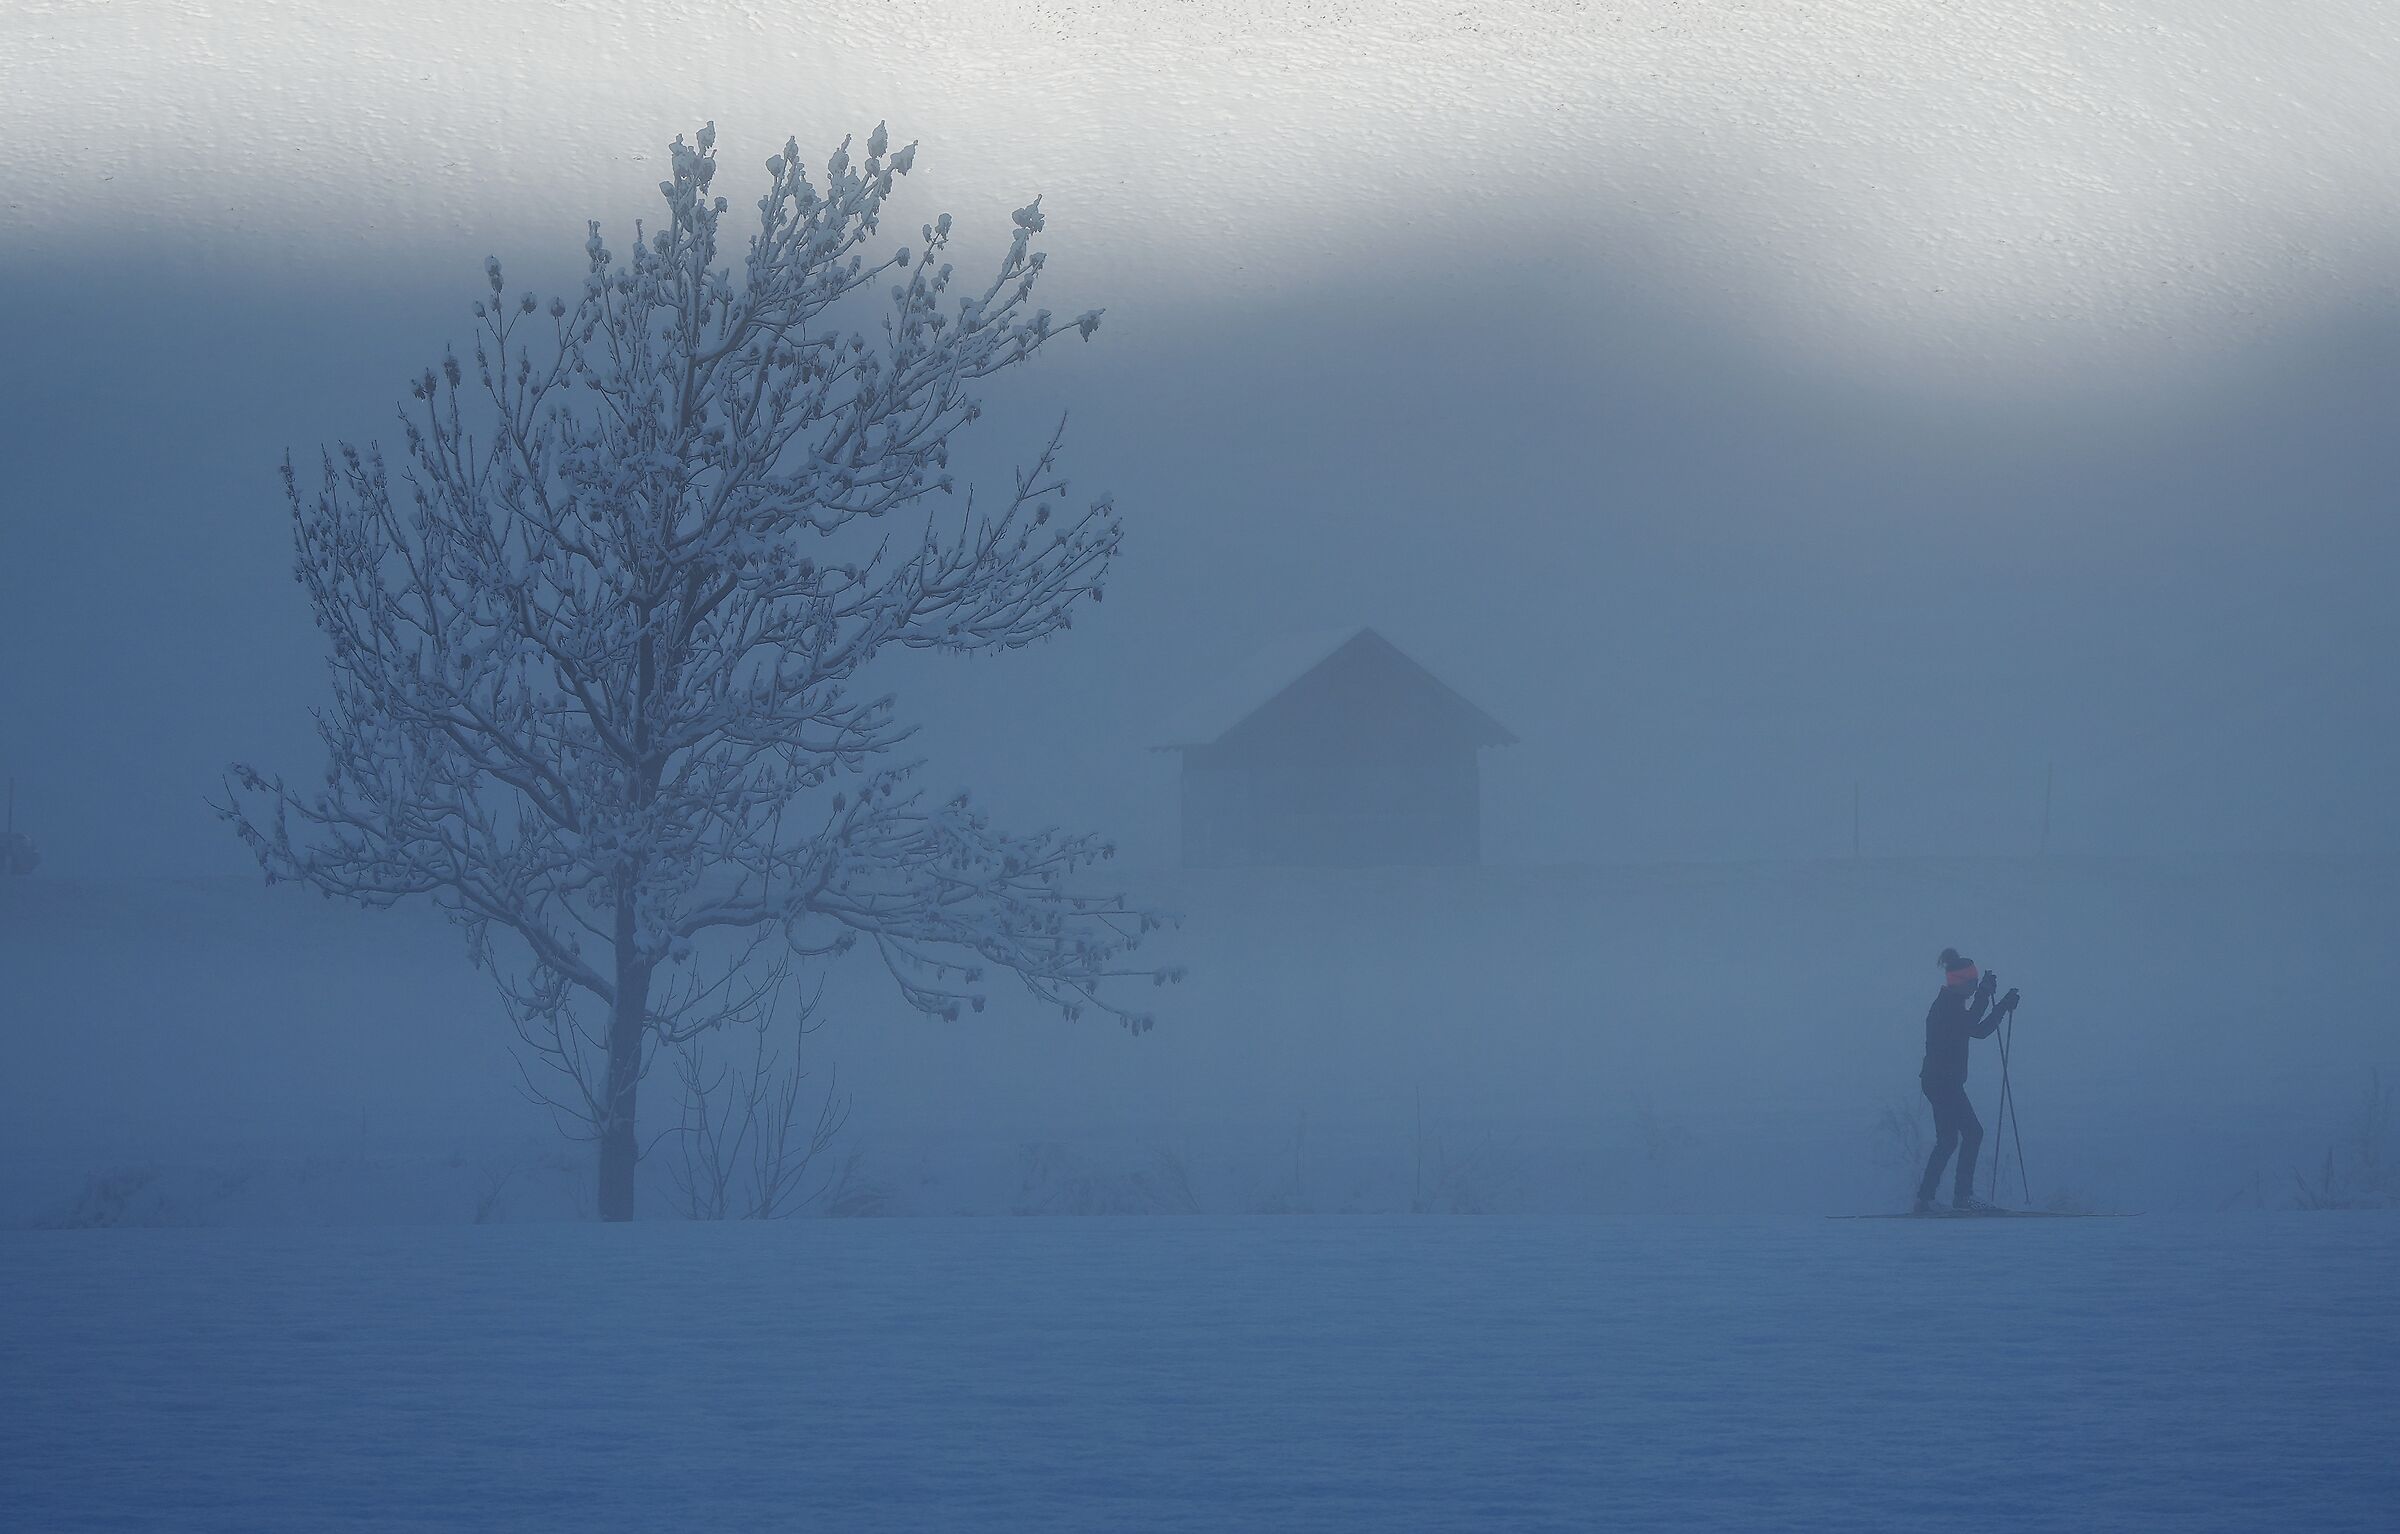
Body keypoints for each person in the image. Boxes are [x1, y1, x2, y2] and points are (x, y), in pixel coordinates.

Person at [1916, 948, 2019, 1213]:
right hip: (1943, 1082)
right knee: (1972, 1133)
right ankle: (1961, 1197)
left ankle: (1926, 1199)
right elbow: (1974, 1025)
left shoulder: (1950, 1004)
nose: (1974, 989)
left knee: (1949, 1139)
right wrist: (1987, 996)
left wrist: (2002, 1006)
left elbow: (1977, 1029)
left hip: (1939, 1081)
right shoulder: (1946, 1007)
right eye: (1972, 984)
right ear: (1960, 982)